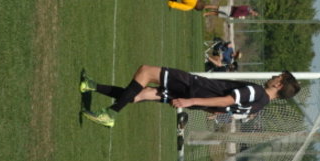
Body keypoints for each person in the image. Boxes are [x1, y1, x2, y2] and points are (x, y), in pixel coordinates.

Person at [79, 66, 301, 128]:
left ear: (279, 85)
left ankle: (110, 114)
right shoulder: (258, 107)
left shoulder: (257, 91)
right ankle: (91, 86)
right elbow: (228, 114)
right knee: (143, 94)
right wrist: (211, 113)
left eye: (277, 77)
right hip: (198, 100)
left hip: (196, 89)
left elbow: (228, 101)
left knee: (146, 72)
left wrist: (191, 101)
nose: (273, 76)